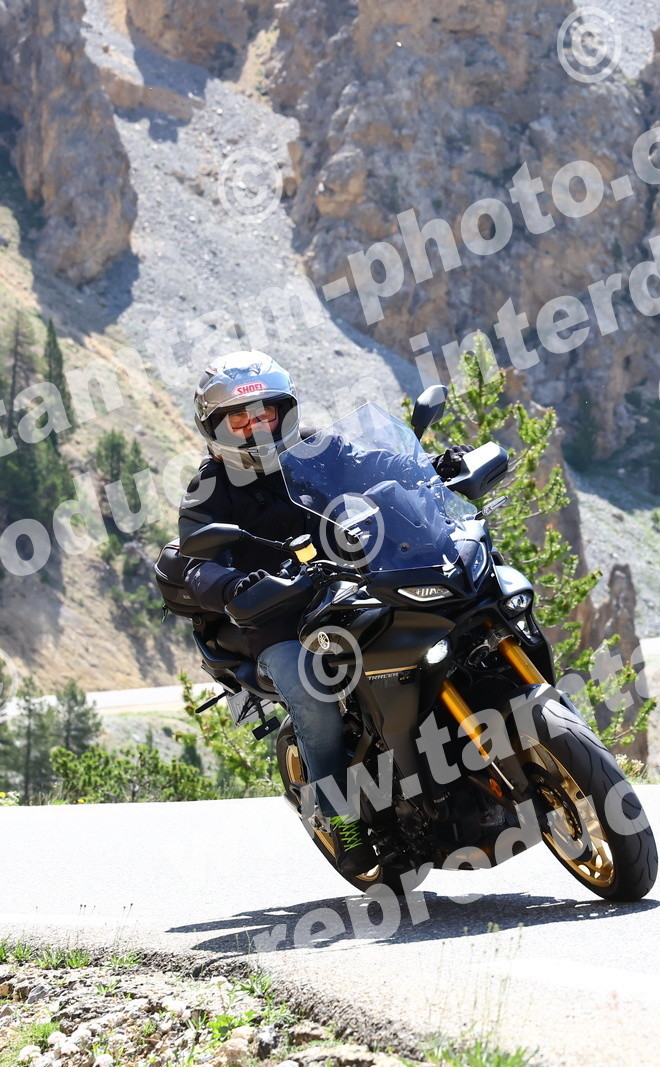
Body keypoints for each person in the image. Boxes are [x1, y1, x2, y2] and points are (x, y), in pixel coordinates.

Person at [175, 351, 469, 876]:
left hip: (354, 583)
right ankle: (342, 819)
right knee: (312, 695)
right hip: (277, 617)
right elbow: (196, 563)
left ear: (284, 411)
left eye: (266, 411)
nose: (256, 426)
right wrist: (234, 585)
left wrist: (431, 466)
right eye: (239, 418)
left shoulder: (315, 446)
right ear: (214, 425)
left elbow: (374, 463)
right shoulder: (209, 491)